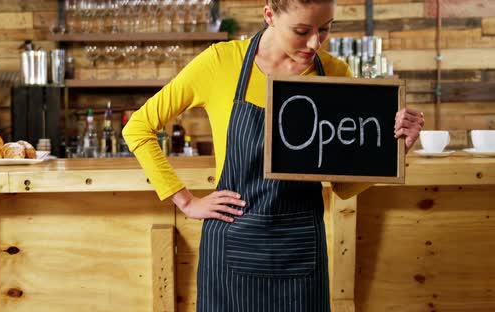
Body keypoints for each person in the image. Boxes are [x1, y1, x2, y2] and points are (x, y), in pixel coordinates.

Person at [123, 0, 424, 310]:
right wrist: (185, 201)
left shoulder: (334, 74)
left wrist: (393, 149)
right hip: (231, 247)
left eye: (324, 30)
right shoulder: (220, 63)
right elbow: (138, 127)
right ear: (269, 15)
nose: (313, 43)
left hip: (300, 251)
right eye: (301, 30)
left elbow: (343, 187)